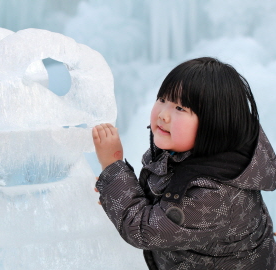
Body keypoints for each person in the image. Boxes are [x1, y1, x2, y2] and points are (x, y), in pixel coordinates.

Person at [92, 57, 276, 269]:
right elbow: (163, 194)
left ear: (214, 124)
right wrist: (117, 192)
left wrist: (112, 163)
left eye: (180, 108)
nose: (163, 114)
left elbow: (143, 231)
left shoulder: (213, 195)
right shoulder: (189, 151)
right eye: (162, 99)